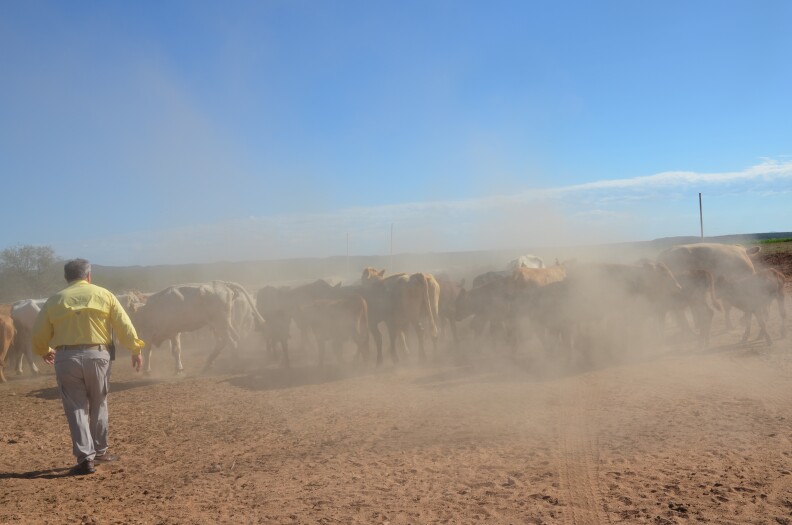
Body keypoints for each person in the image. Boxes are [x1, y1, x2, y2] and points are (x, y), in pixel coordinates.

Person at [32, 258, 145, 476]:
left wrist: (44, 350)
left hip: (66, 357)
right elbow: (124, 325)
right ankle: (101, 451)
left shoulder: (54, 300)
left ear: (66, 278)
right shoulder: (104, 295)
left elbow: (38, 334)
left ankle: (85, 458)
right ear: (89, 276)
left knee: (76, 408)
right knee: (99, 403)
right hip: (98, 355)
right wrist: (135, 349)